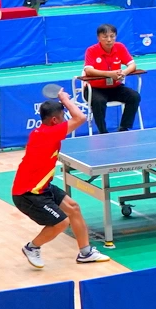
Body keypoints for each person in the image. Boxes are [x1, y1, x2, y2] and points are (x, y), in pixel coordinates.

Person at [13, 90, 110, 269]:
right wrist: (64, 99)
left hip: (42, 187)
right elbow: (80, 117)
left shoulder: (43, 131)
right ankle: (32, 247)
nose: (66, 119)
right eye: (63, 116)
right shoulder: (48, 134)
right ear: (54, 120)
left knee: (73, 208)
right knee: (61, 222)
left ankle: (86, 252)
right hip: (27, 193)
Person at [82, 23, 140, 134]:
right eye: (105, 37)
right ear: (99, 38)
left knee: (134, 97)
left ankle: (124, 128)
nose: (109, 40)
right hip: (94, 89)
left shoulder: (120, 47)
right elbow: (88, 70)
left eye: (112, 36)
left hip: (115, 87)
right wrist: (109, 74)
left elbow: (132, 65)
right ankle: (103, 132)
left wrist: (124, 72)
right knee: (99, 101)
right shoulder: (91, 50)